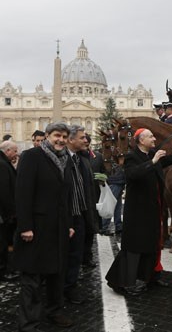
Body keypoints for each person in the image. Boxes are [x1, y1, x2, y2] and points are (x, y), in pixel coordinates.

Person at [13, 122, 74, 330]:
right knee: (32, 276)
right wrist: (25, 226)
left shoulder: (66, 160)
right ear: (47, 135)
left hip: (58, 227)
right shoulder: (32, 157)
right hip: (36, 228)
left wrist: (69, 223)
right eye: (57, 135)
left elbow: (66, 196)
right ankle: (29, 321)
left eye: (65, 137)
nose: (61, 140)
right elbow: (22, 193)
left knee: (57, 273)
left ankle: (54, 311)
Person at [105, 128, 172, 295]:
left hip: (152, 208)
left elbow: (169, 160)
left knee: (151, 243)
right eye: (150, 136)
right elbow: (133, 174)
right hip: (137, 211)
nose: (154, 138)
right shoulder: (131, 157)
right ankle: (123, 283)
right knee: (134, 247)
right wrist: (153, 161)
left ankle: (150, 277)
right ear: (141, 140)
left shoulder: (152, 155)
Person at [63, 125, 98, 305]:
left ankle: (70, 286)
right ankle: (63, 288)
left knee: (76, 254)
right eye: (83, 138)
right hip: (66, 216)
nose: (86, 140)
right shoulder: (60, 159)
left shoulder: (82, 159)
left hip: (81, 214)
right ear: (71, 139)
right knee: (66, 254)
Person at [82, 133, 104, 268]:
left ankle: (87, 257)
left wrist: (102, 178)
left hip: (94, 196)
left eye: (86, 144)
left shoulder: (98, 157)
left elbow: (104, 172)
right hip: (80, 198)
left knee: (91, 228)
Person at [0, 140, 19, 282]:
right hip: (4, 214)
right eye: (14, 151)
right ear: (7, 151)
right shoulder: (2, 165)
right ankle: (3, 271)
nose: (16, 154)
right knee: (3, 242)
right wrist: (10, 213)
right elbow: (4, 192)